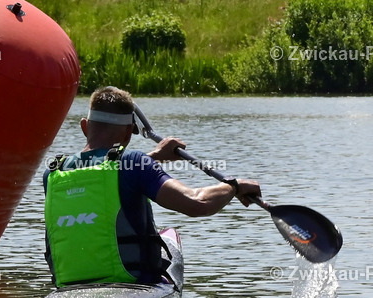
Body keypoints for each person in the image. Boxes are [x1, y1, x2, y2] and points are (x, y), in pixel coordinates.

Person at [43, 87, 261, 287]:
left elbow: (104, 174)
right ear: (128, 133)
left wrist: (154, 157)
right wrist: (234, 186)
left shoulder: (54, 173)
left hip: (69, 291)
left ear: (84, 126)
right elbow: (198, 202)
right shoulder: (134, 164)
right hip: (132, 287)